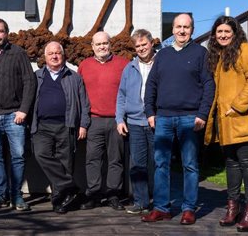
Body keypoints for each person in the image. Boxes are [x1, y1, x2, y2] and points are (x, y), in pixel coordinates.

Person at [142, 13, 215, 225]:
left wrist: (202, 114)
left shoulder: (201, 53)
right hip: (163, 117)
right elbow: (151, 86)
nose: (182, 31)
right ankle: (162, 208)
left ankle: (189, 209)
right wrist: (150, 113)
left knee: (190, 165)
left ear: (192, 30)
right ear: (172, 30)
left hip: (189, 118)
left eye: (186, 27)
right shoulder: (163, 55)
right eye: (178, 27)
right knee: (161, 164)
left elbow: (209, 85)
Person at [204, 16, 248, 232]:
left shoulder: (245, 50)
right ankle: (233, 208)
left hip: (243, 117)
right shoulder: (219, 56)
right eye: (218, 32)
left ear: (235, 32)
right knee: (231, 164)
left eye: (226, 31)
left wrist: (237, 106)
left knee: (247, 162)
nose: (222, 35)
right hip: (226, 121)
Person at [0, 18, 36, 211]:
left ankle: (17, 195)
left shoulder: (18, 53)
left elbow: (30, 82)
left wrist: (23, 110)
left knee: (18, 156)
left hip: (14, 114)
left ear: (7, 32)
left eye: (1, 31)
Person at [31, 42, 90, 214]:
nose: (55, 56)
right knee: (40, 153)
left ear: (63, 55)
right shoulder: (37, 76)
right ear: (45, 56)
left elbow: (84, 104)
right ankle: (70, 186)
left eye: (58, 53)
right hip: (42, 126)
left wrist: (83, 125)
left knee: (65, 164)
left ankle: (60, 201)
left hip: (66, 125)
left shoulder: (74, 77)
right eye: (51, 54)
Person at [78, 31, 129, 210]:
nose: (102, 47)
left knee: (116, 159)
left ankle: (113, 194)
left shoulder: (124, 64)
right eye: (98, 44)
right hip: (93, 121)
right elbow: (80, 94)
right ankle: (94, 194)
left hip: (117, 120)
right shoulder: (84, 65)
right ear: (92, 46)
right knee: (93, 159)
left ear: (110, 44)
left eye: (105, 43)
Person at [116, 29, 156, 215]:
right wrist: (119, 119)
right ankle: (140, 201)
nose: (141, 48)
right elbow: (121, 96)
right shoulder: (129, 68)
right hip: (135, 123)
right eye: (137, 46)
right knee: (137, 164)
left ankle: (159, 200)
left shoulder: (161, 65)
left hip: (157, 121)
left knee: (157, 164)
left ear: (151, 43)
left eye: (144, 44)